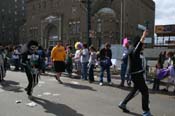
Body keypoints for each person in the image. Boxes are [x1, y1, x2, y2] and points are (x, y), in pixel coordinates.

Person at [118, 30, 152, 116]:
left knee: (134, 90)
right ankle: (146, 111)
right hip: (137, 75)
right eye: (144, 44)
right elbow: (140, 44)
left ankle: (123, 103)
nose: (144, 45)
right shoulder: (135, 50)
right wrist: (143, 36)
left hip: (134, 75)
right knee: (145, 91)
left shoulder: (131, 50)